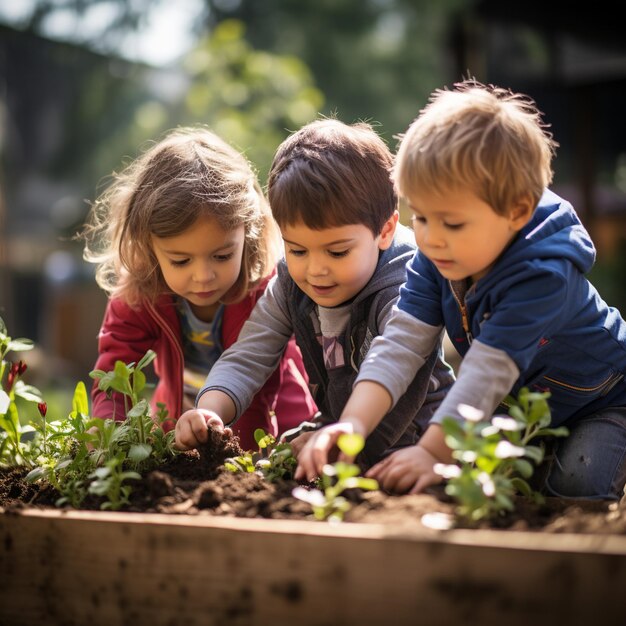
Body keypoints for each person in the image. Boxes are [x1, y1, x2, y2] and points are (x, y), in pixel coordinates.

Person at [296, 80, 626, 499]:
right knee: (488, 490)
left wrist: (434, 451)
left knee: (577, 487)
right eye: (421, 218)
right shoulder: (439, 258)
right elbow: (401, 343)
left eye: (451, 223)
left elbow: (487, 370)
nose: (431, 238)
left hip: (603, 401)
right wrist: (353, 422)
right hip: (520, 410)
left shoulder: (544, 275)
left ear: (517, 211)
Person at [174, 119, 455, 469]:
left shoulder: (406, 282)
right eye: (298, 250)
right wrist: (210, 410)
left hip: (417, 444)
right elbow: (249, 353)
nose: (315, 269)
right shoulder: (291, 282)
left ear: (385, 231)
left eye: (337, 252)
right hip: (340, 432)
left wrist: (344, 442)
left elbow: (397, 366)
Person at [81, 126, 317, 450]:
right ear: (149, 247)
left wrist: (258, 457)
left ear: (247, 234)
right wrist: (108, 439)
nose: (203, 276)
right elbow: (114, 372)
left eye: (222, 256)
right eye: (180, 261)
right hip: (179, 429)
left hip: (275, 432)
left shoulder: (265, 293)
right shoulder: (140, 296)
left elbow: (259, 387)